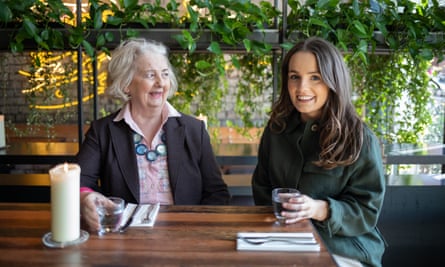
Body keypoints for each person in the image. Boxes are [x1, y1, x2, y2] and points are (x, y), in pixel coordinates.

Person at [252, 37, 386, 267]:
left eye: (315, 77)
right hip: (285, 244)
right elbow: (262, 189)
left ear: (333, 81)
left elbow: (366, 210)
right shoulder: (276, 131)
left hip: (344, 251)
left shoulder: (359, 138)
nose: (302, 88)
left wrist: (318, 209)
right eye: (295, 77)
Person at [77, 38, 230, 232]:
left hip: (184, 235)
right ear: (126, 84)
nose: (160, 83)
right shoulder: (103, 131)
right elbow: (80, 182)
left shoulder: (194, 130)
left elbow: (216, 193)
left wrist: (197, 230)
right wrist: (85, 198)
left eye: (165, 74)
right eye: (150, 75)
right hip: (125, 237)